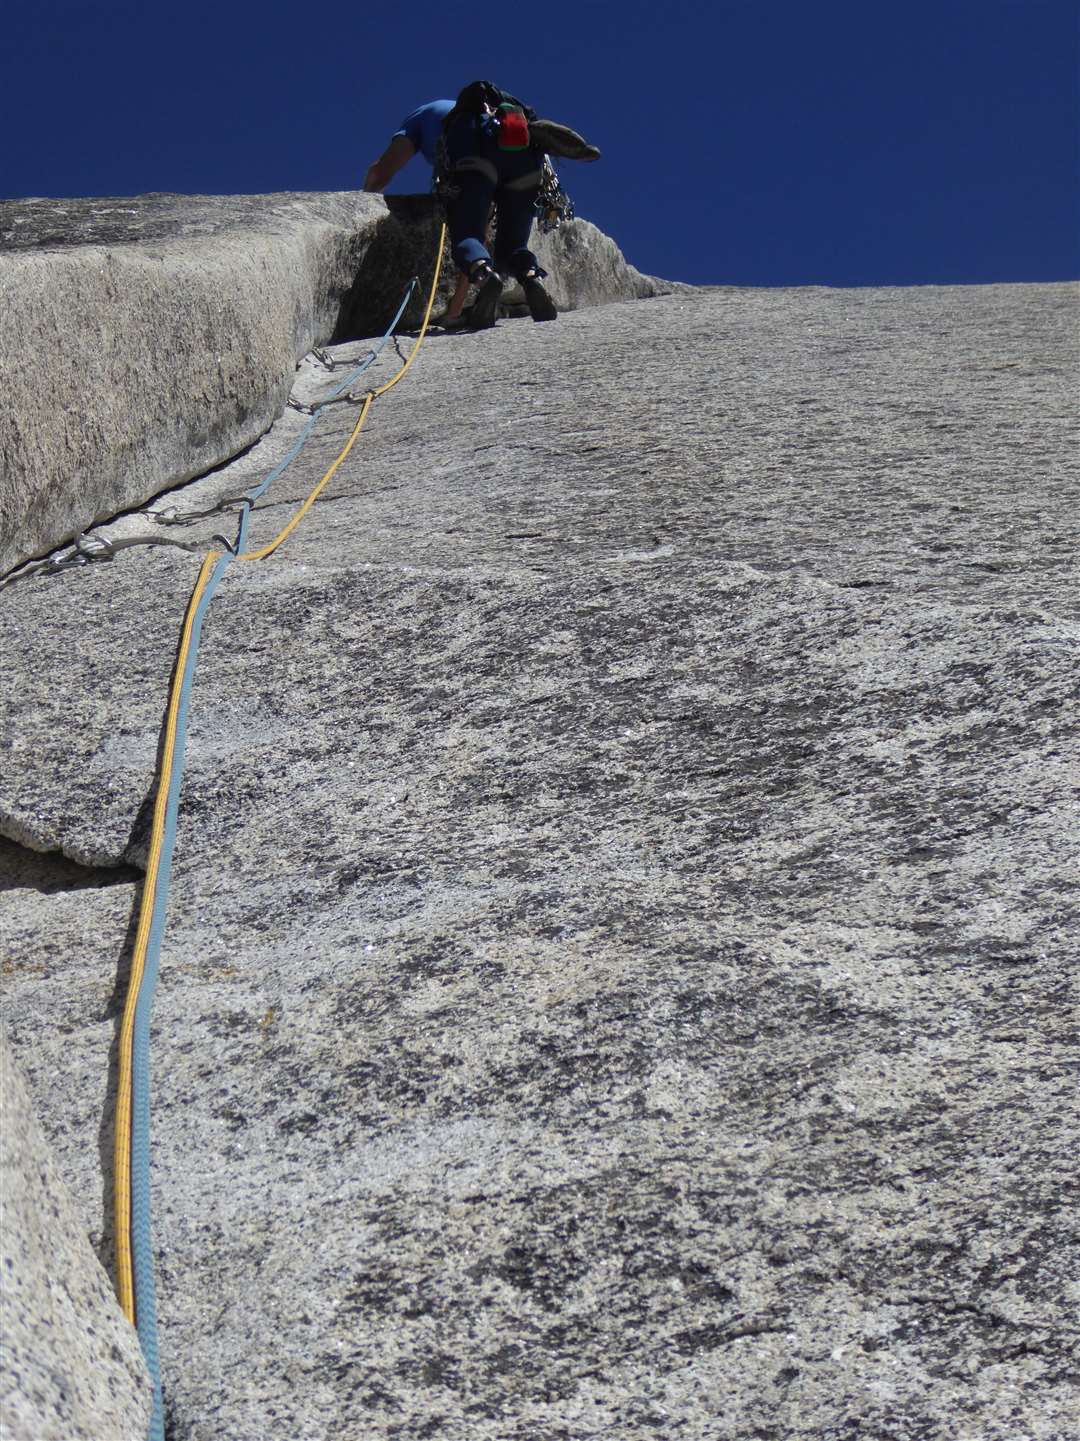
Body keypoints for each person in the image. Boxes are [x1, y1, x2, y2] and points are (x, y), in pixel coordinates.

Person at [364, 82, 558, 329]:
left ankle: (484, 276)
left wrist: (362, 206)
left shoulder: (424, 115)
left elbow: (381, 172)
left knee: (467, 236)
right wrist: (455, 311)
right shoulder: (498, 114)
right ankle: (530, 277)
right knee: (513, 246)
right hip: (526, 158)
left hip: (476, 156)